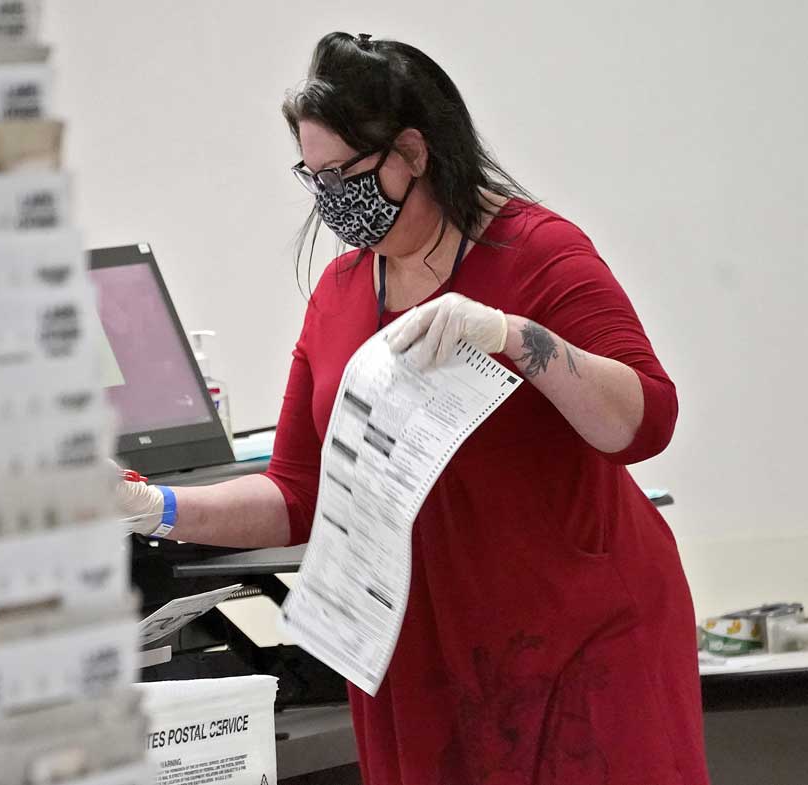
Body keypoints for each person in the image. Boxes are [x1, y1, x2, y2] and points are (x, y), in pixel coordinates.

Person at [116, 32, 709, 785]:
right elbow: (297, 493)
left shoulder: (537, 252)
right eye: (314, 174)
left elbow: (645, 420)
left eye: (347, 172)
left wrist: (516, 338)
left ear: (413, 151)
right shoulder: (338, 296)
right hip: (419, 648)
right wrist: (154, 505)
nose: (330, 196)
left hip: (575, 636)